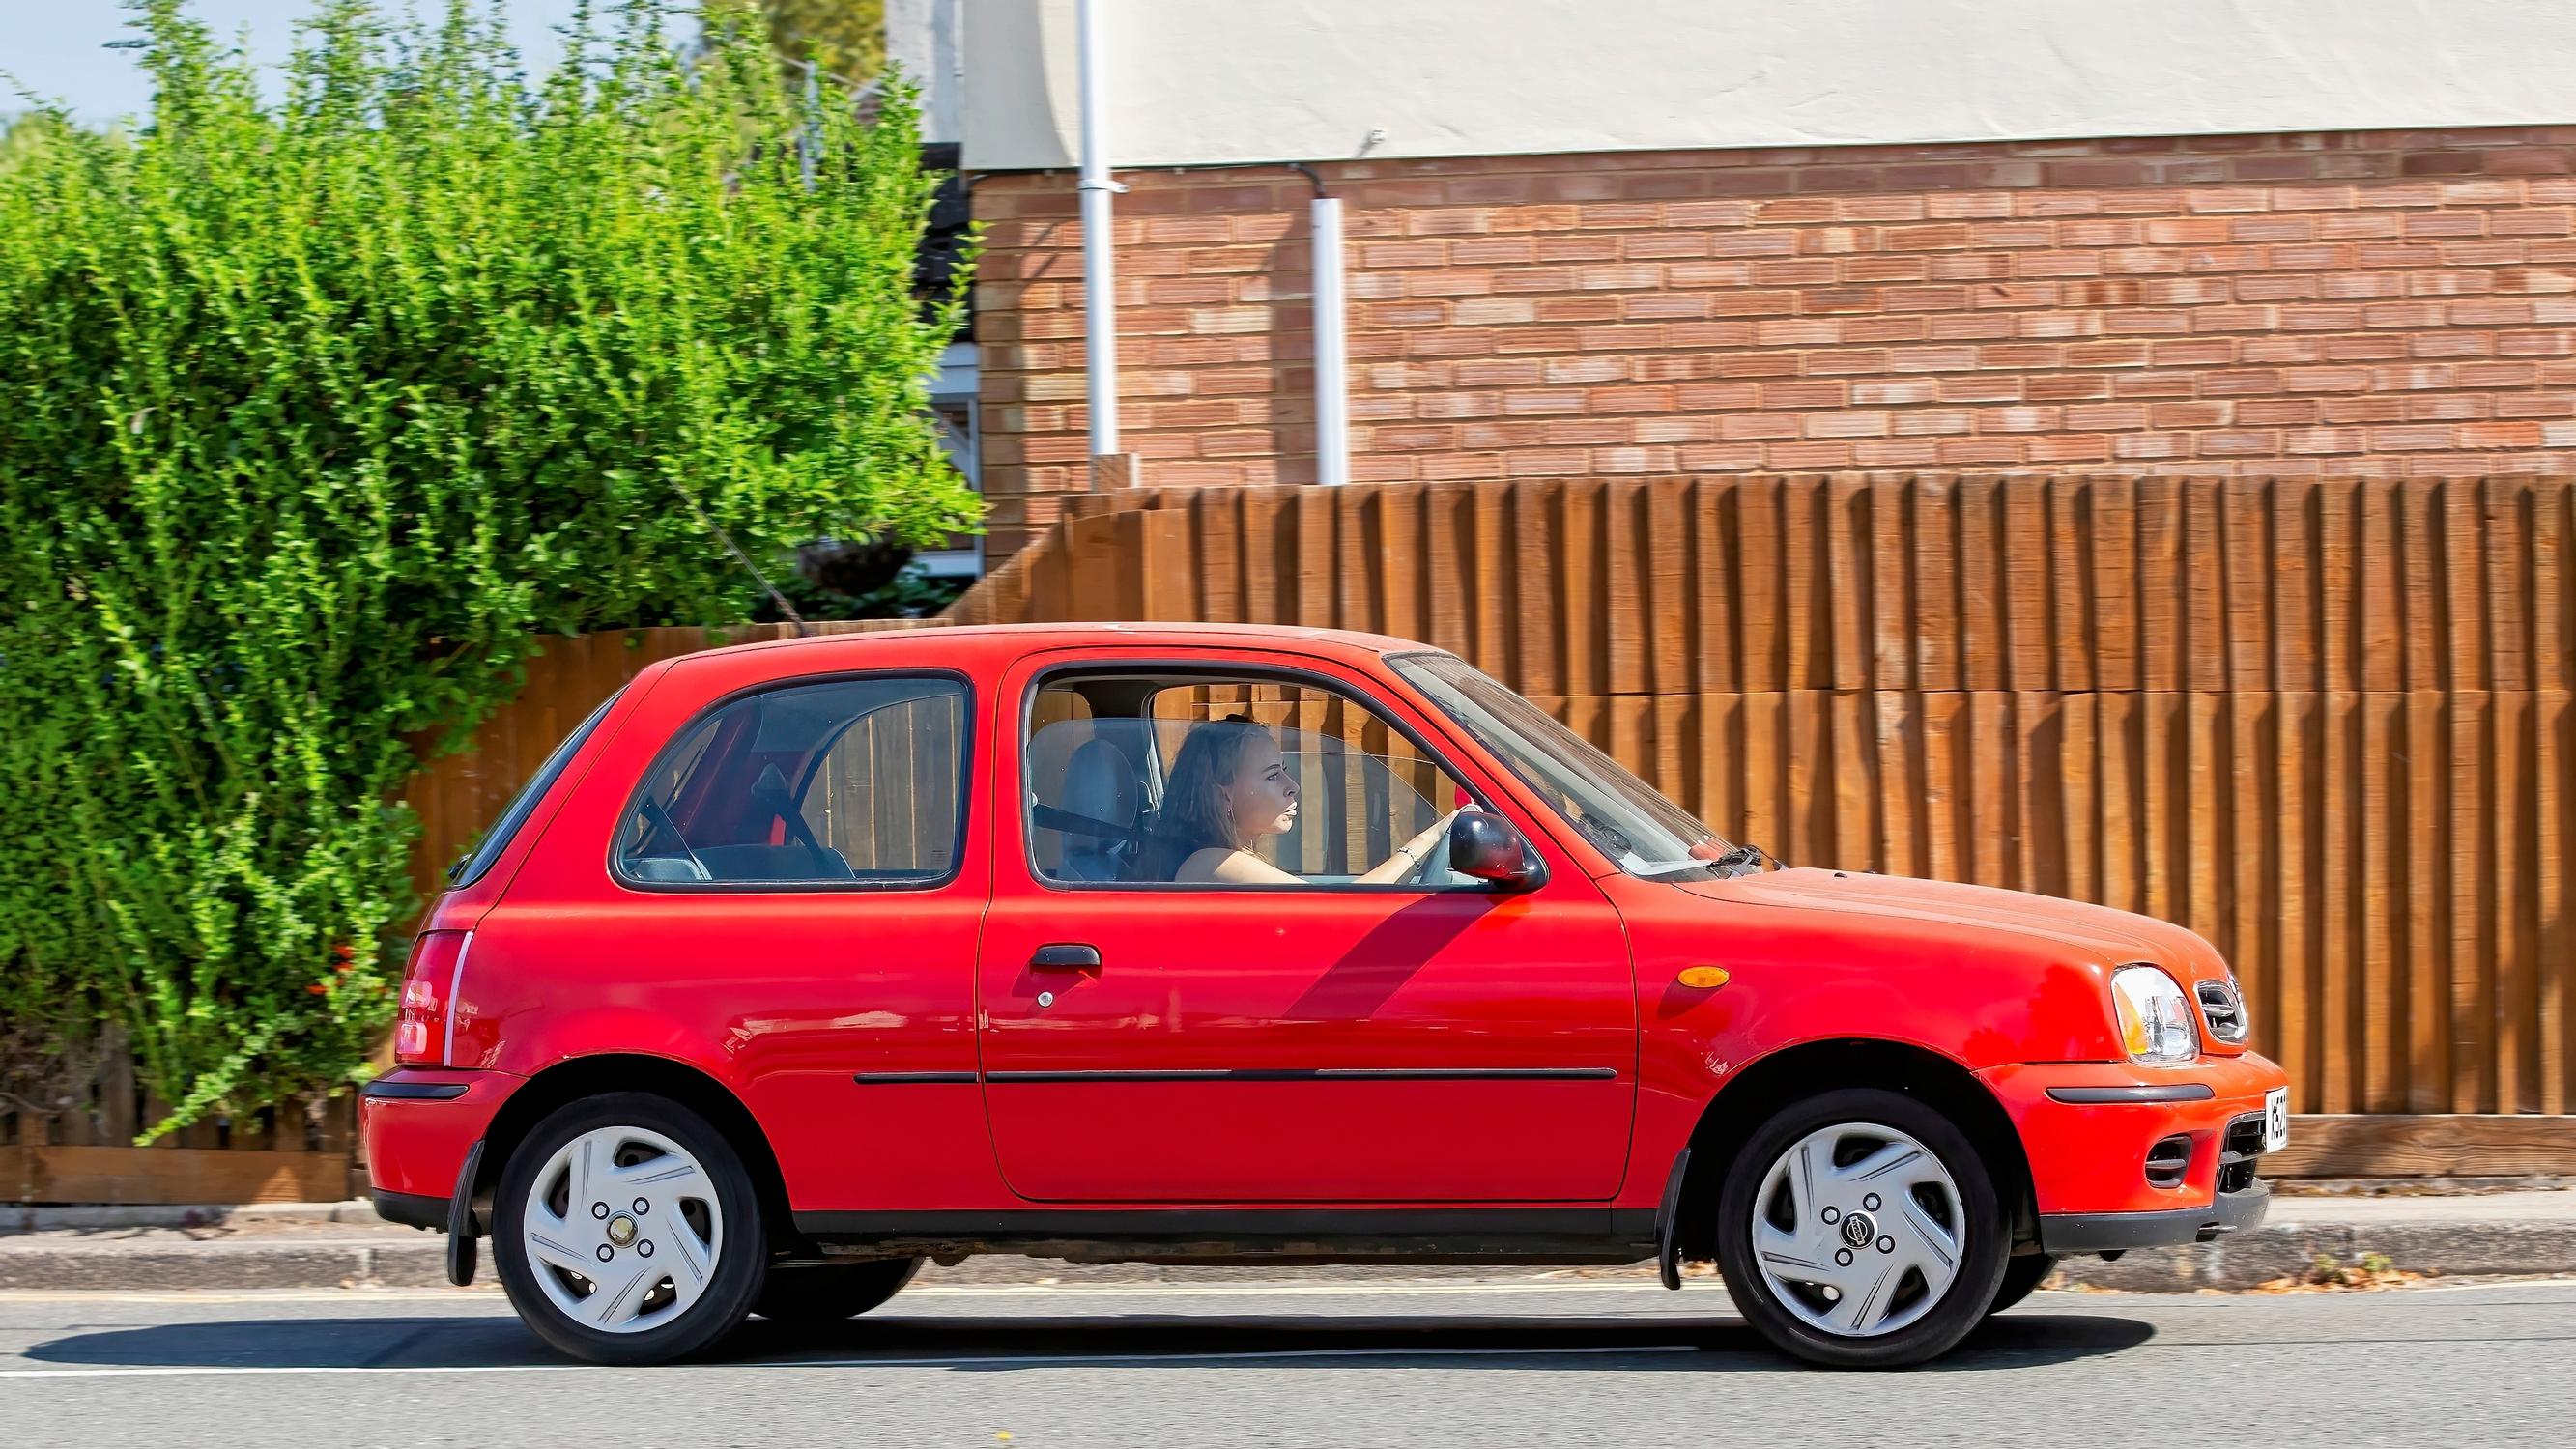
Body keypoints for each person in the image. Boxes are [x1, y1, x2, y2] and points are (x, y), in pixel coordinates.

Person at [1142, 715, 1455, 885]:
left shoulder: (1214, 859)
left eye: (1285, 770)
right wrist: (1431, 836)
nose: (1293, 787)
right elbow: (1341, 916)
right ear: (1223, 792)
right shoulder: (1212, 863)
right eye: (1271, 775)